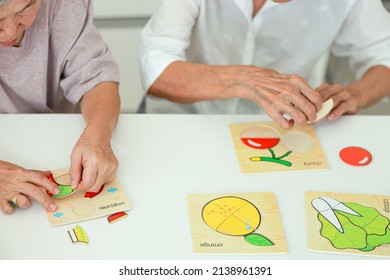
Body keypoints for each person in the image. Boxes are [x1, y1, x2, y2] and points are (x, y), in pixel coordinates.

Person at [139, 0, 390, 129]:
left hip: (279, 129)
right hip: (181, 121)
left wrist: (356, 94)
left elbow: (385, 54)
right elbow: (156, 67)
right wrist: (243, 80)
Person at [0, 0, 120, 214]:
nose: (9, 32)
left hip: (60, 136)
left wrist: (98, 133)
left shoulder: (63, 4)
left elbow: (96, 78)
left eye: (25, 9)